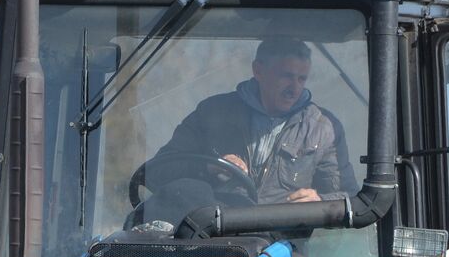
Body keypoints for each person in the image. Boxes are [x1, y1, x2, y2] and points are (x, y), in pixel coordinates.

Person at [153, 37, 357, 205]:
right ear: (258, 71)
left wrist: (319, 201)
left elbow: (350, 199)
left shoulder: (323, 128)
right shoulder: (212, 113)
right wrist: (209, 167)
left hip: (285, 243)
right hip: (216, 237)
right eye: (286, 76)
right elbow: (156, 173)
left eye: (301, 79)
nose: (294, 88)